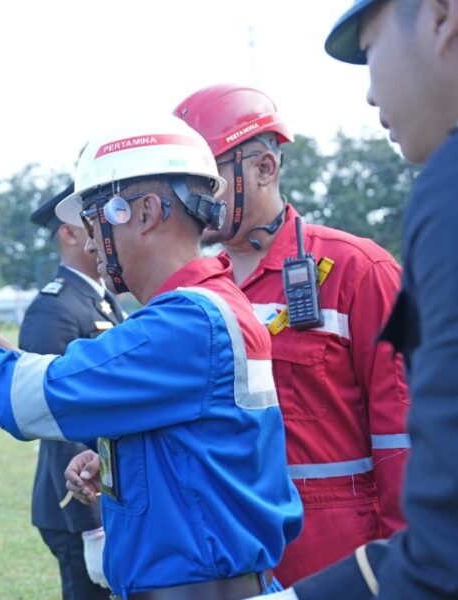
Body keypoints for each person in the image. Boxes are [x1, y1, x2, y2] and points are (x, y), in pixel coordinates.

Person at [0, 116, 303, 599]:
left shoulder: (187, 323)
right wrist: (131, 461)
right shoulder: (209, 308)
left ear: (146, 212)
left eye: (94, 220)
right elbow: (189, 438)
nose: (90, 241)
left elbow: (34, 401)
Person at [248, 2, 458, 599]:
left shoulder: (367, 257)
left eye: (369, 52)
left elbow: (439, 518)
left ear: (441, 17)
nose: (369, 93)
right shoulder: (201, 288)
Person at [173, 84, 410, 586]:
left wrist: (409, 568)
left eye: (206, 178)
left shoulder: (355, 271)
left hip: (335, 566)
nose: (191, 197)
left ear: (264, 168)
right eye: (181, 181)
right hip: (229, 563)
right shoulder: (190, 293)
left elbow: (405, 435)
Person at [23, 183, 123, 599]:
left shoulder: (102, 299)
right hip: (76, 507)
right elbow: (52, 417)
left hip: (105, 490)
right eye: (92, 222)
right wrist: (92, 525)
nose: (107, 229)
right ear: (67, 233)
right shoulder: (55, 307)